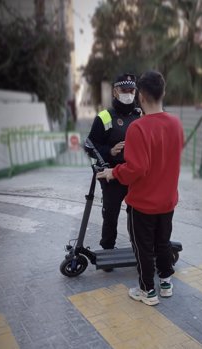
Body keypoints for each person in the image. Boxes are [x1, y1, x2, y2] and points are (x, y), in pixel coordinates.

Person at [97, 71, 184, 304]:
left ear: (141, 97)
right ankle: (165, 283)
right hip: (167, 201)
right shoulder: (176, 123)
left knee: (143, 248)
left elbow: (136, 169)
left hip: (143, 204)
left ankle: (148, 291)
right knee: (163, 243)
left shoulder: (138, 127)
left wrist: (113, 172)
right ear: (163, 92)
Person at [85, 73, 141, 265]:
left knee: (137, 214)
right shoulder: (105, 116)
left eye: (132, 90)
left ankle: (139, 248)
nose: (128, 94)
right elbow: (89, 145)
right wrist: (109, 151)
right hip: (112, 176)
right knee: (111, 214)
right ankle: (108, 250)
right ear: (115, 91)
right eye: (124, 90)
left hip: (135, 175)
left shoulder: (140, 115)